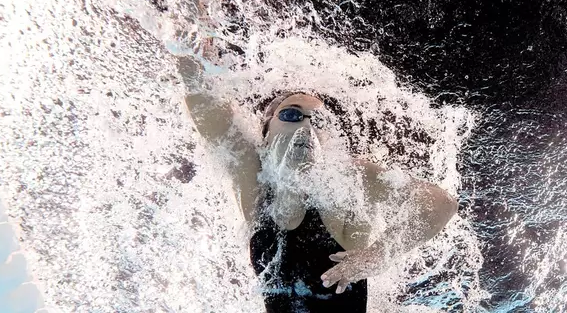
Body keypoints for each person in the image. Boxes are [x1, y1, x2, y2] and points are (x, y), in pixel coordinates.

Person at [178, 48, 458, 312]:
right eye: (292, 114)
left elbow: (439, 203)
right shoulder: (255, 179)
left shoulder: (349, 179)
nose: (307, 127)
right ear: (265, 135)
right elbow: (201, 95)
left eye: (317, 122)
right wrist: (188, 42)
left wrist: (379, 254)